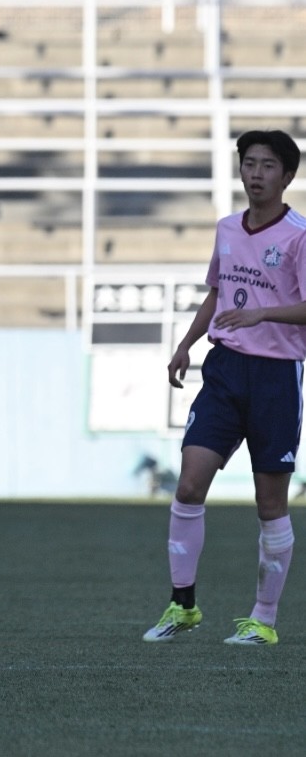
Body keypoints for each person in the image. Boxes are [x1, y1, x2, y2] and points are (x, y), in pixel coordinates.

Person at [142, 129, 305, 647]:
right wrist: (185, 343)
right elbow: (217, 291)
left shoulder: (299, 236)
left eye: (267, 165)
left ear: (287, 176)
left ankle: (263, 620)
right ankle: (183, 604)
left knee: (269, 503)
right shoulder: (227, 228)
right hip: (225, 368)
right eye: (249, 163)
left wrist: (263, 313)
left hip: (276, 376)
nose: (256, 174)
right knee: (190, 484)